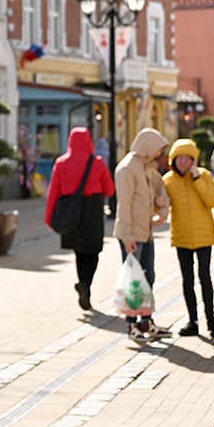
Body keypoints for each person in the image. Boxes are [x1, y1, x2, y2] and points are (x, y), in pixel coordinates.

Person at [44, 127, 115, 312]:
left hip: (70, 210)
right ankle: (85, 284)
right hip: (92, 210)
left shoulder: (61, 162)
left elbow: (53, 191)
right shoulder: (97, 162)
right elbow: (109, 190)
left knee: (79, 251)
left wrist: (49, 217)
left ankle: (84, 286)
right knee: (93, 251)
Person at [114, 128, 171, 341]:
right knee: (133, 282)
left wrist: (162, 211)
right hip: (131, 233)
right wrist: (127, 236)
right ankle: (131, 326)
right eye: (157, 149)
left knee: (148, 277)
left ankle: (146, 322)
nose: (159, 154)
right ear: (147, 146)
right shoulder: (127, 169)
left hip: (146, 231)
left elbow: (161, 186)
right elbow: (124, 206)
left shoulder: (147, 168)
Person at [162, 139, 214, 337]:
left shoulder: (204, 175)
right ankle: (192, 321)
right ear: (173, 159)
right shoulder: (167, 180)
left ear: (194, 160)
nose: (183, 162)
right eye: (179, 158)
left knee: (205, 277)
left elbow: (213, 201)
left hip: (204, 235)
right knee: (187, 280)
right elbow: (161, 206)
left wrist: (196, 178)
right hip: (182, 237)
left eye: (188, 158)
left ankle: (211, 320)